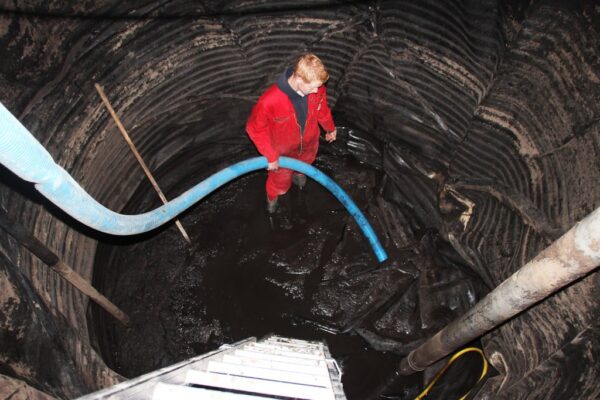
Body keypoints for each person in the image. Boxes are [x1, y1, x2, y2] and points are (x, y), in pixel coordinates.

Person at [246, 53, 337, 213]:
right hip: (283, 154)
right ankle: (273, 198)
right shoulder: (270, 101)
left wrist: (330, 128)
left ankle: (299, 175)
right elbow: (255, 129)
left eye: (319, 86)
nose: (317, 90)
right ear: (300, 79)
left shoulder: (317, 89)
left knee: (305, 166)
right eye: (313, 87)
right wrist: (271, 156)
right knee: (280, 182)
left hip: (309, 145)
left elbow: (322, 109)